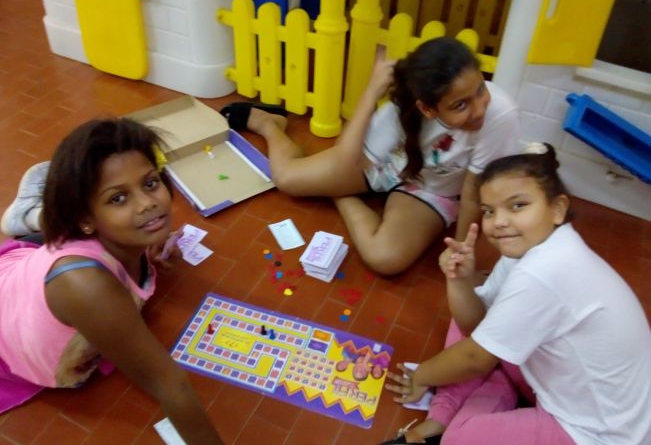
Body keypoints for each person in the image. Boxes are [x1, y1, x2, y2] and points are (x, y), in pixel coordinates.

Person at [381, 143, 651, 445]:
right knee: (480, 327)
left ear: (557, 209)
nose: (499, 221)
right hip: (556, 384)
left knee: (460, 437)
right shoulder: (531, 252)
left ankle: (448, 424)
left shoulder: (545, 270)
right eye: (489, 211)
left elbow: (476, 358)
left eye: (518, 205)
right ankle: (440, 419)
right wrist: (459, 280)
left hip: (599, 432)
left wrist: (422, 376)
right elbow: (474, 327)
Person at [0, 118, 225, 445]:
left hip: (37, 269)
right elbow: (169, 385)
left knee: (58, 234)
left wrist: (148, 236)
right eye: (118, 198)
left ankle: (38, 211)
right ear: (87, 219)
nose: (148, 203)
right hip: (12, 303)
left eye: (150, 183)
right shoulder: (87, 286)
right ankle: (32, 212)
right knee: (54, 236)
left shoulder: (119, 234)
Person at [220, 37, 519, 276]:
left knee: (384, 258)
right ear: (428, 109)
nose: (479, 109)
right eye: (460, 105)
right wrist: (372, 91)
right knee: (286, 179)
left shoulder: (498, 114)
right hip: (387, 166)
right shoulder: (401, 110)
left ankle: (340, 195)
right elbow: (347, 160)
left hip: (434, 191)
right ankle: (270, 125)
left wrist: (462, 247)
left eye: (480, 89)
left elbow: (473, 190)